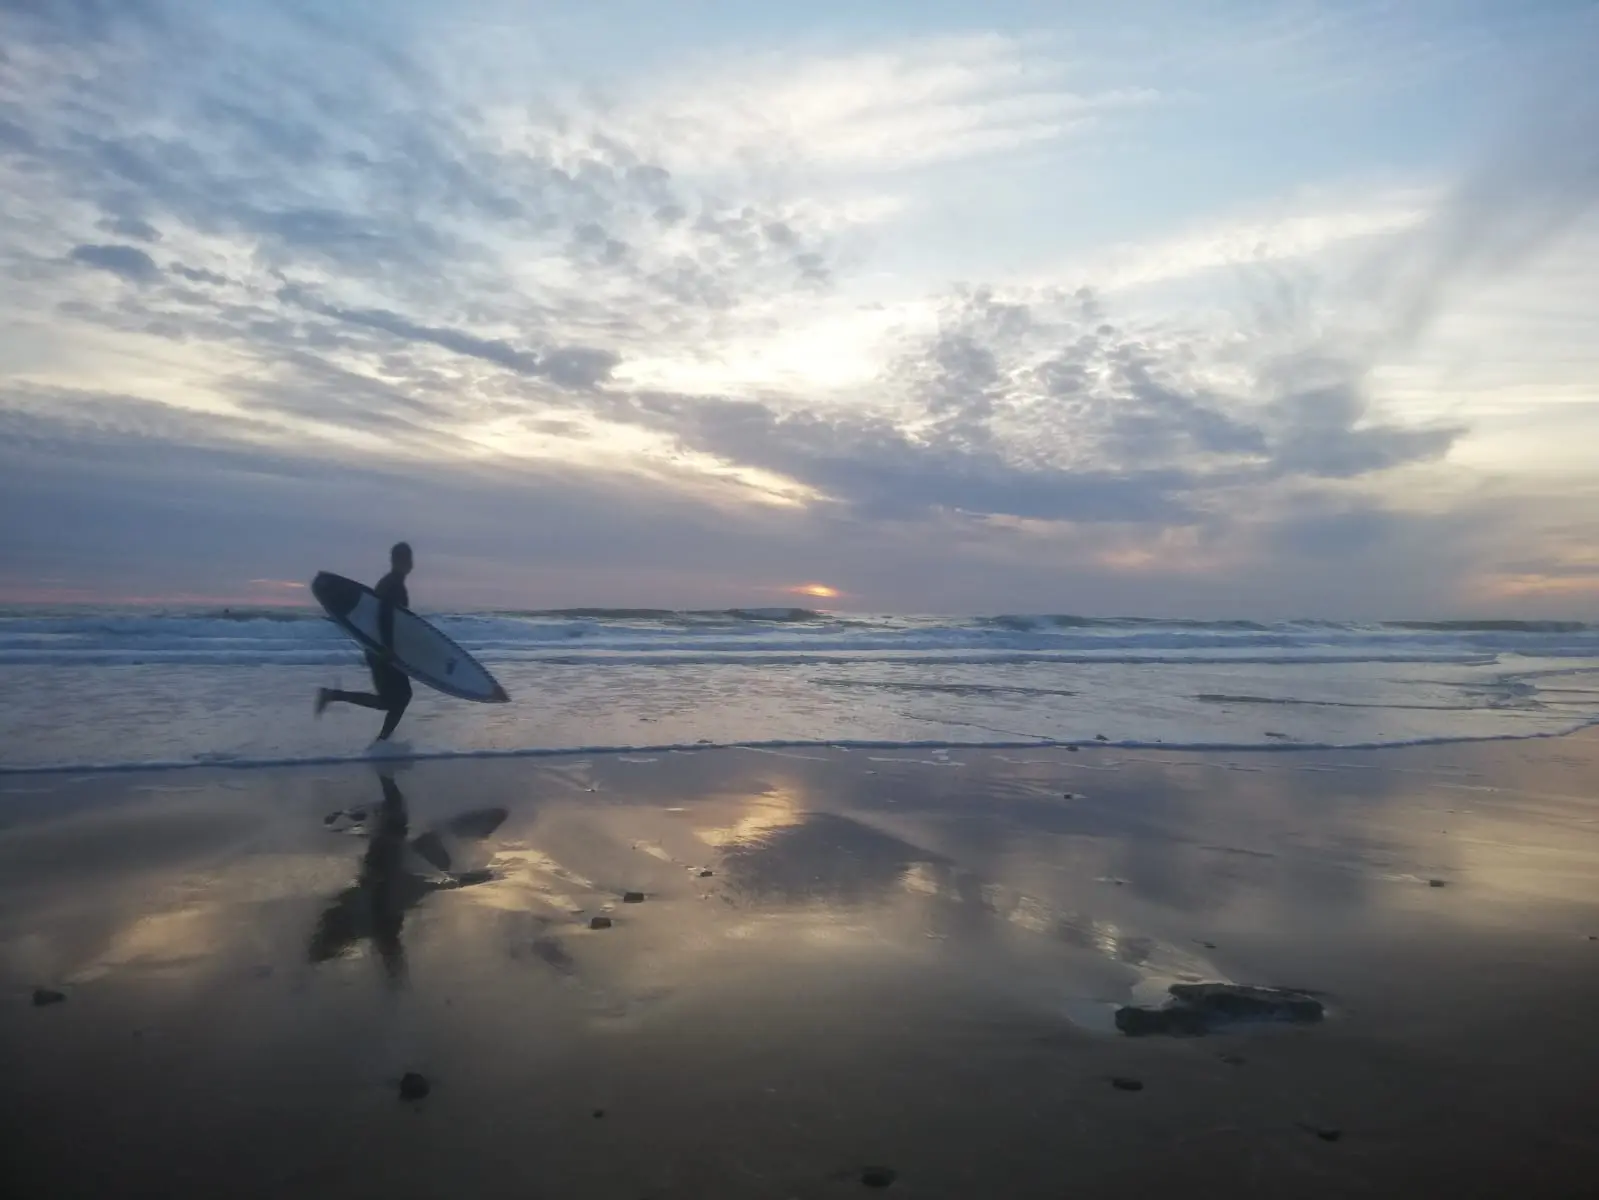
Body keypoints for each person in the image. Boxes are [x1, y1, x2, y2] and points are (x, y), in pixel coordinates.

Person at [315, 542, 415, 741]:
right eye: (408, 559)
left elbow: (394, 621)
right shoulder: (393, 585)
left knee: (394, 700)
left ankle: (334, 696)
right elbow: (384, 616)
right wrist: (386, 648)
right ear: (399, 561)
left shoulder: (391, 583)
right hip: (382, 651)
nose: (411, 564)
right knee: (399, 698)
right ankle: (380, 742)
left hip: (378, 649)